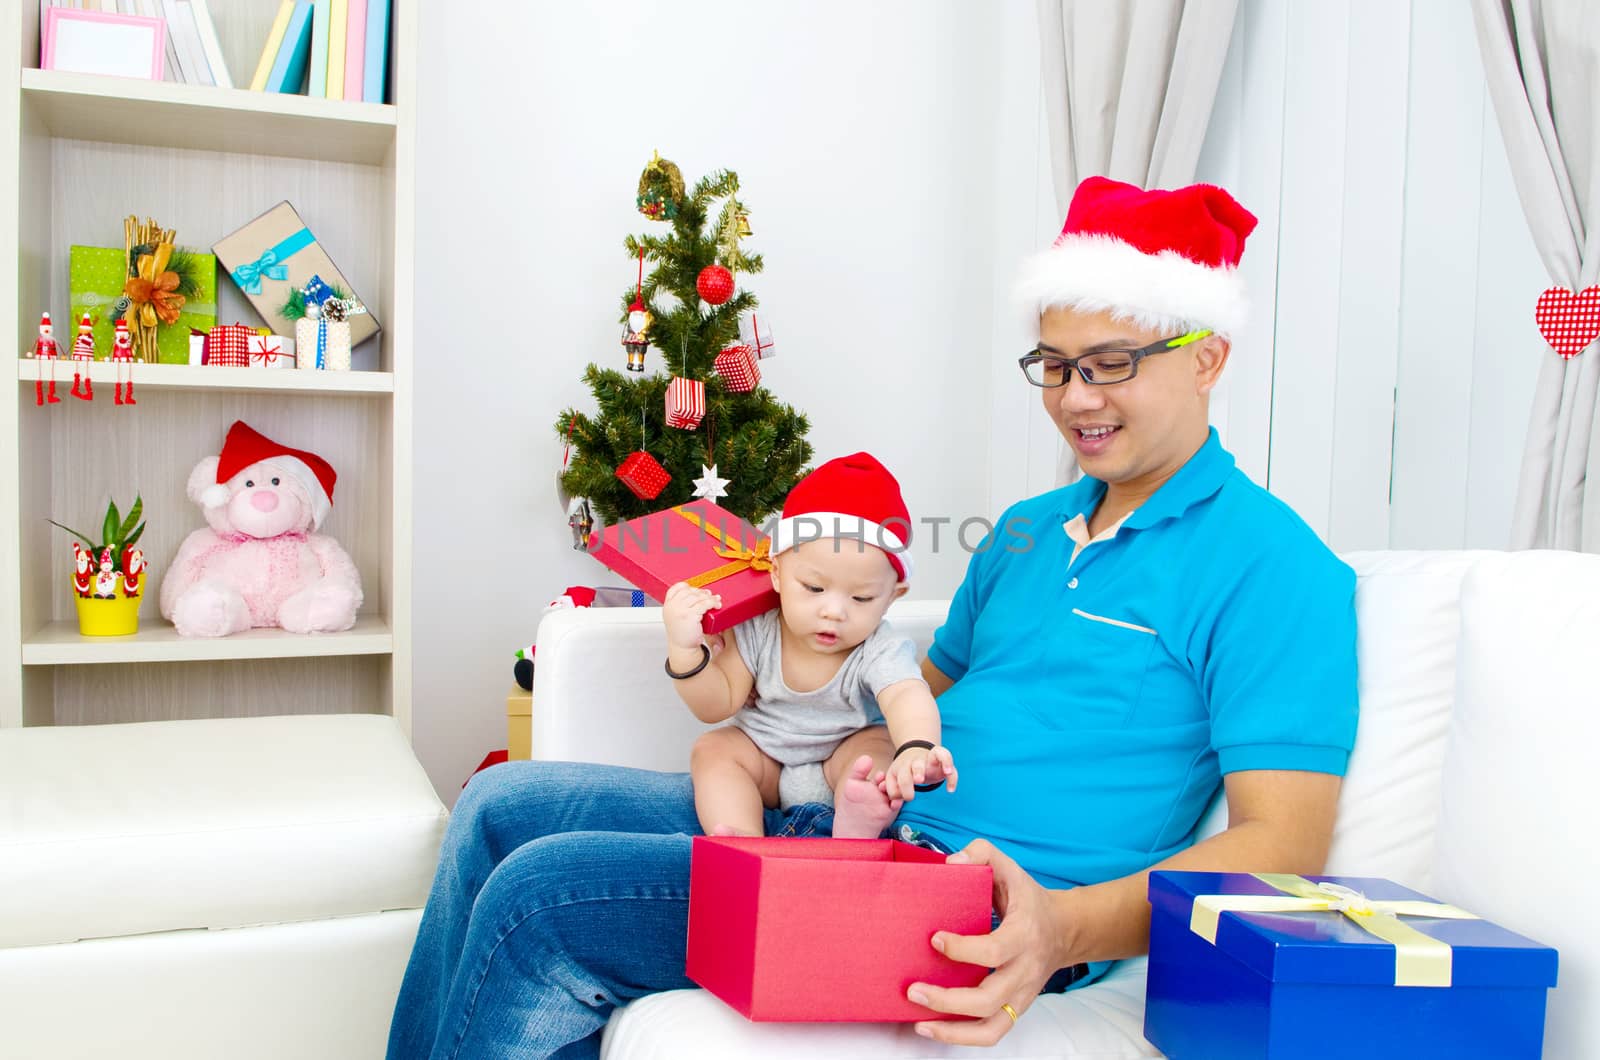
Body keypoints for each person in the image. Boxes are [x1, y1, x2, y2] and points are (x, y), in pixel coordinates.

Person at [387, 175, 1357, 1058]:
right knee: (498, 808)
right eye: (1054, 366)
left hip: (967, 896)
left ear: (1208, 356)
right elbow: (907, 693)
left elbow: (1282, 842)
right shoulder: (1026, 531)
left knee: (539, 902)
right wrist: (766, 668)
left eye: (1110, 362)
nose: (1077, 399)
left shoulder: (1275, 566)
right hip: (852, 826)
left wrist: (1061, 926)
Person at [664, 452, 956, 841]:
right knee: (714, 748)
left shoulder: (878, 647)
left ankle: (858, 822)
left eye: (862, 598)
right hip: (764, 757)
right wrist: (685, 651)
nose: (833, 611)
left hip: (843, 760)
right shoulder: (758, 629)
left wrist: (917, 747)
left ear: (893, 595)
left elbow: (906, 695)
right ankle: (738, 838)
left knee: (877, 750)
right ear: (778, 573)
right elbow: (716, 705)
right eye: (814, 589)